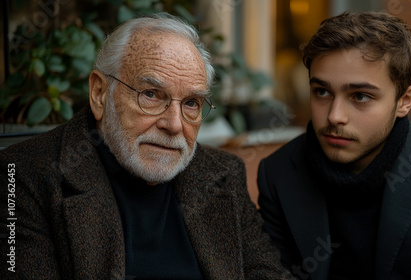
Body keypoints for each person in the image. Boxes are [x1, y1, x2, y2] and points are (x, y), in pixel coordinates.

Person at [0, 13, 293, 279]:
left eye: (191, 103)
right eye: (151, 94)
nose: (174, 124)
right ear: (100, 94)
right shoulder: (21, 175)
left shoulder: (223, 174)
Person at [257, 11, 411, 280]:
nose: (335, 115)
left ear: (405, 100)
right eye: (322, 92)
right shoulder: (277, 173)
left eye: (360, 96)